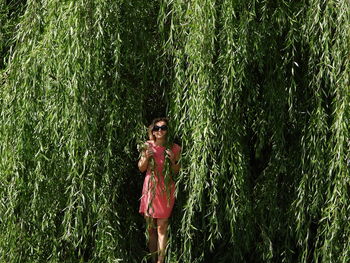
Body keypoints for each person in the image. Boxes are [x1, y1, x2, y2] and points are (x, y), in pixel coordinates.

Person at [138, 118, 181, 263]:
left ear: (168, 130)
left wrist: (173, 160)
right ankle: (153, 258)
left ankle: (160, 261)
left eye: (163, 128)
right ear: (152, 131)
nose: (160, 131)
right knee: (150, 228)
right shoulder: (147, 146)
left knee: (162, 227)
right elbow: (141, 168)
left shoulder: (175, 148)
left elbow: (177, 172)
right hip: (150, 188)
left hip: (166, 189)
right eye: (156, 128)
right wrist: (146, 158)